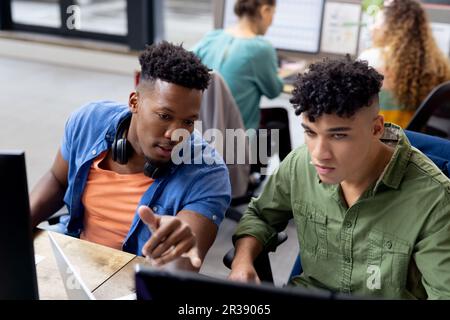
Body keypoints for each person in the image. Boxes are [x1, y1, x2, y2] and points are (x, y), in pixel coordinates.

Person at [228, 56, 450, 299]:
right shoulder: (300, 164)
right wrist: (242, 261)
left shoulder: (435, 200)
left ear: (376, 128)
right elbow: (260, 216)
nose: (319, 154)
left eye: (338, 136)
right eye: (310, 133)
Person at [30, 41, 231, 271]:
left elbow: (180, 270)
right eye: (164, 115)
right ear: (134, 102)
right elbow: (57, 179)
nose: (175, 134)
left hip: (132, 278)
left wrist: (178, 245)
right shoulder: (89, 121)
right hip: (74, 250)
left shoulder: (208, 172)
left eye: (188, 122)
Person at [192, 0, 283, 132]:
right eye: (273, 13)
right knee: (280, 118)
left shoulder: (212, 37)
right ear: (265, 11)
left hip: (202, 133)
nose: (272, 21)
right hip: (238, 139)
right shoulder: (261, 49)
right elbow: (273, 91)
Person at [359, 0, 450, 128]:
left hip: (381, 137)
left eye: (377, 22)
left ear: (389, 27)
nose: (372, 27)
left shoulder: (371, 59)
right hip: (415, 139)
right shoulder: (438, 64)